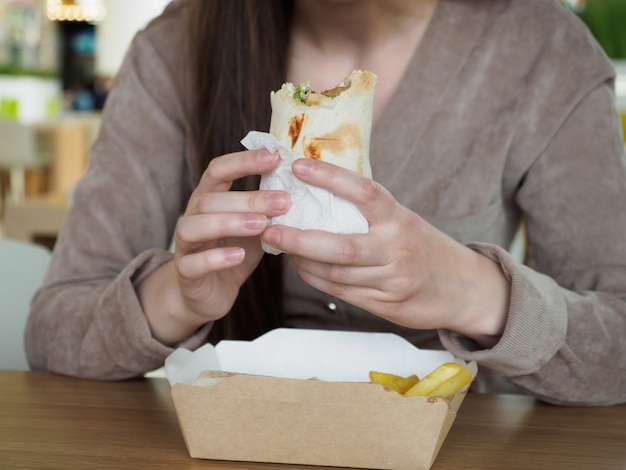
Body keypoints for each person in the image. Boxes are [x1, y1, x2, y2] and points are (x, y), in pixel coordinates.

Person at [25, 0, 626, 406]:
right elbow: (53, 331)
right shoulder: (177, 45)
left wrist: (474, 291)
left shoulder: (542, 50)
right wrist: (177, 295)